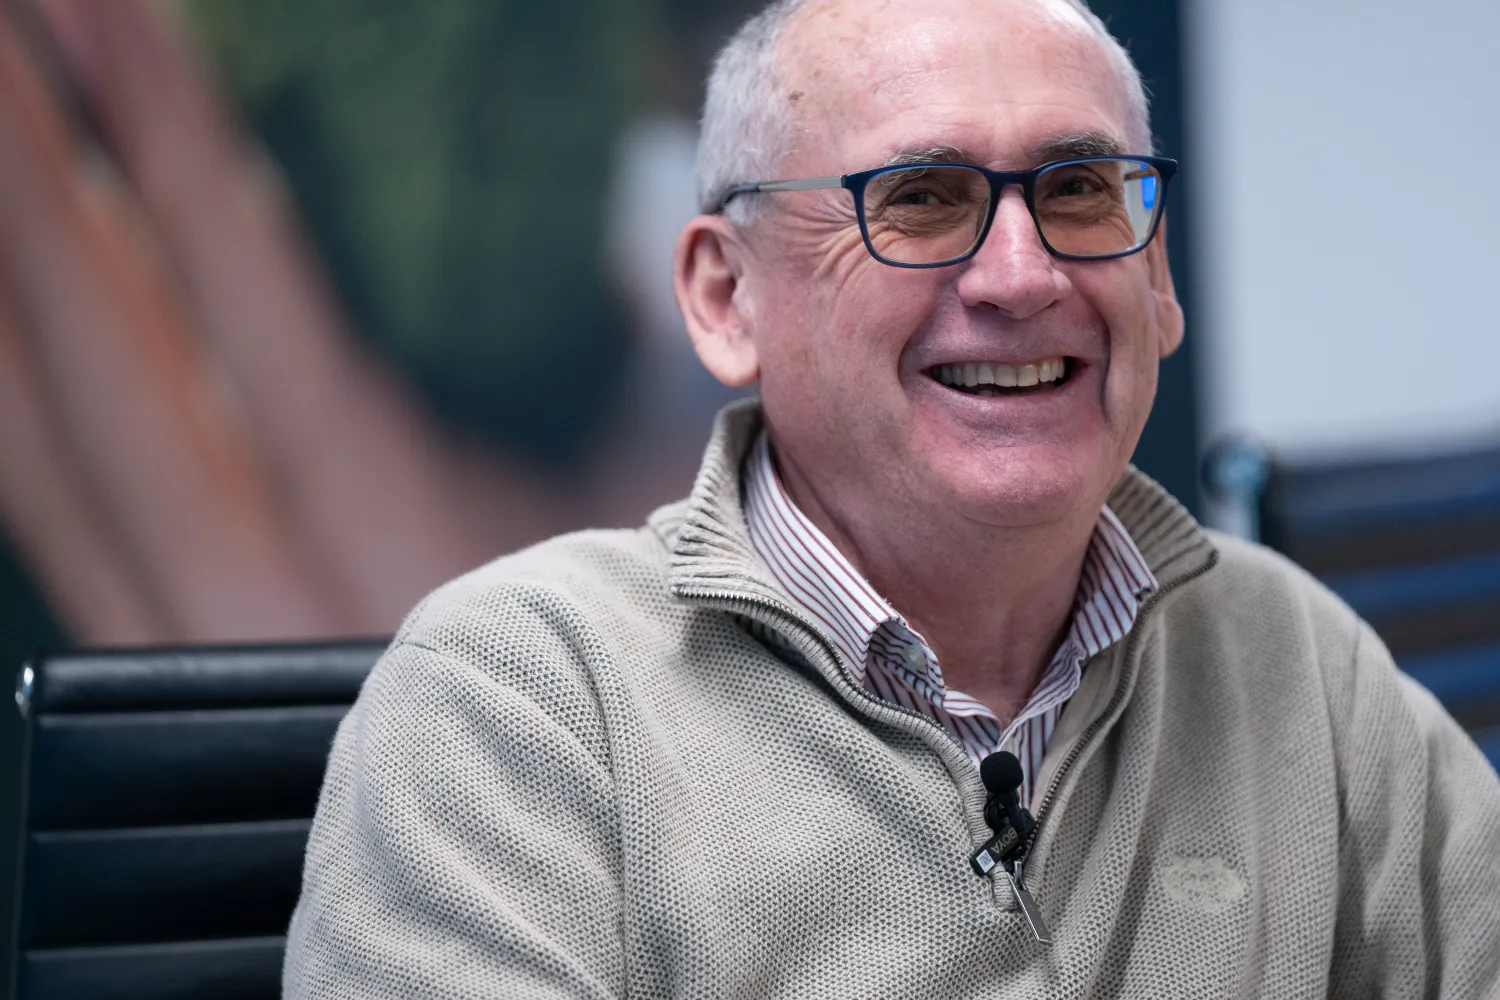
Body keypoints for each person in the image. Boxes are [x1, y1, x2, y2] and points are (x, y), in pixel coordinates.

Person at [284, 0, 1500, 995]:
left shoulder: (1295, 657)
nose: (1023, 276)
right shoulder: (519, 708)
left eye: (1080, 191)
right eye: (920, 199)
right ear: (724, 296)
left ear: (1160, 280)